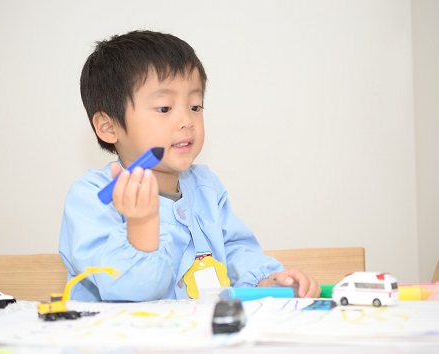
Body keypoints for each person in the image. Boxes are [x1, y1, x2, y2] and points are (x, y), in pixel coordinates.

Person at [59, 30, 320, 301]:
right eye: (164, 108)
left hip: (197, 337)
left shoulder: (206, 187)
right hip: (122, 339)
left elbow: (235, 251)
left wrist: (267, 281)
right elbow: (132, 289)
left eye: (195, 106)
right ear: (108, 126)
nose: (187, 121)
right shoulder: (92, 198)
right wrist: (143, 222)